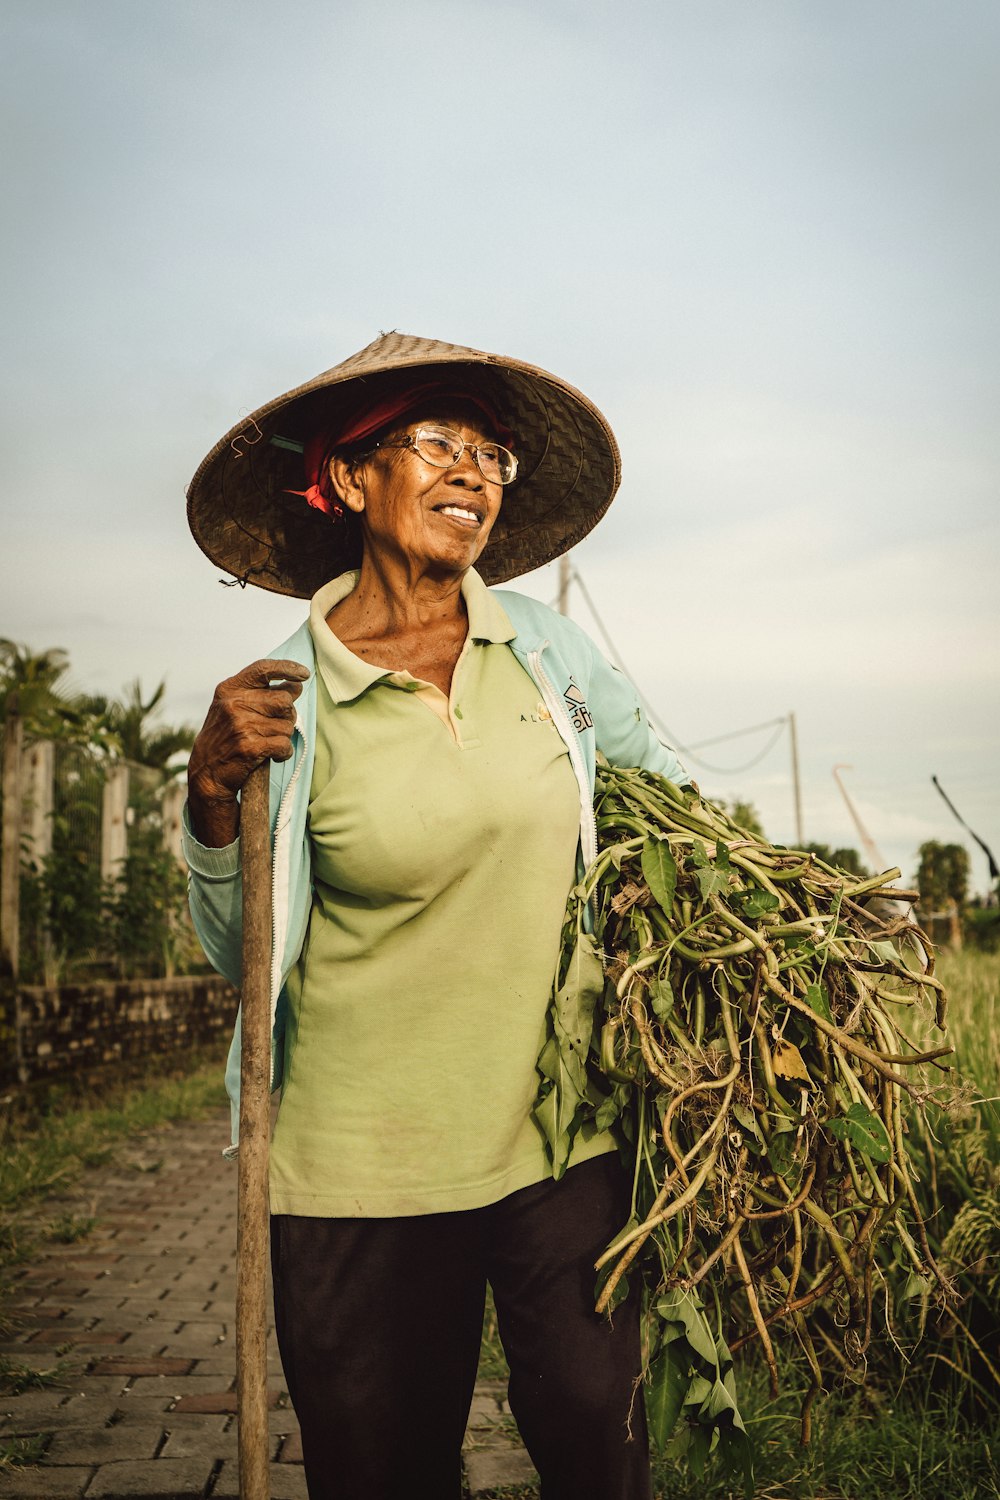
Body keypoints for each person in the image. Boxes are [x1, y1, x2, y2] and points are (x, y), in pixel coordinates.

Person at [183, 332, 689, 1500]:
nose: (475, 471)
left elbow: (665, 805)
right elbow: (237, 955)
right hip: (360, 1164)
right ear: (351, 480)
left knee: (595, 1441)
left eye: (492, 453)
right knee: (383, 1471)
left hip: (562, 1133)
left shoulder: (548, 656)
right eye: (437, 443)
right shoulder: (279, 700)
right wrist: (213, 798)